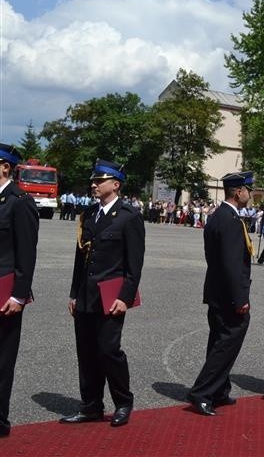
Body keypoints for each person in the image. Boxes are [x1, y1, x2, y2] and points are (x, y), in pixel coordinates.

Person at [60, 159, 145, 428]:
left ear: (115, 184)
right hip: (86, 295)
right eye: (93, 181)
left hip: (111, 295)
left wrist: (125, 297)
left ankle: (123, 402)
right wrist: (74, 293)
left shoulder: (129, 216)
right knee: (86, 352)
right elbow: (80, 258)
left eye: (100, 181)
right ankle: (91, 405)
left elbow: (134, 264)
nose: (93, 185)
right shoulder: (89, 215)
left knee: (109, 351)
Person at [186, 171, 254, 416]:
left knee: (217, 340)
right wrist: (240, 298)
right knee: (227, 342)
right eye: (248, 189)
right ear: (238, 192)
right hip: (228, 295)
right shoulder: (230, 220)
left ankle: (219, 389)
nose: (250, 193)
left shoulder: (219, 216)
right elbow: (231, 264)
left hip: (216, 290)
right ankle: (202, 392)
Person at [0, 144, 39, 438]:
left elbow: (26, 253)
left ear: (5, 167)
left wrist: (19, 294)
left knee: (2, 358)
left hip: (4, 290)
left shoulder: (20, 202)